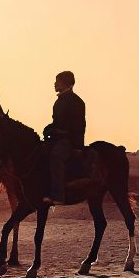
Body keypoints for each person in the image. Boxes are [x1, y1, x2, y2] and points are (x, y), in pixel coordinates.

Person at [45, 71, 86, 203]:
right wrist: (50, 128)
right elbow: (58, 122)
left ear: (66, 83)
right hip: (58, 138)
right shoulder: (59, 101)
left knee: (56, 156)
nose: (55, 84)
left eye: (58, 81)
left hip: (69, 141)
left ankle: (58, 195)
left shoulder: (76, 102)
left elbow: (78, 126)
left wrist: (78, 146)